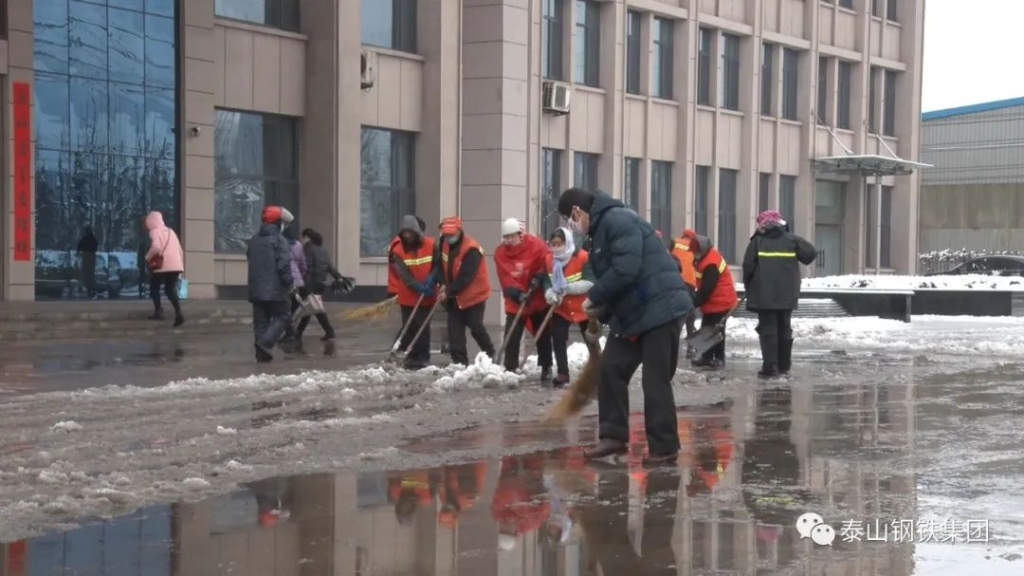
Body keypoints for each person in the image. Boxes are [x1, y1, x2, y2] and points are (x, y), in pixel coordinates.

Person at [557, 188, 693, 464]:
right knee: (610, 369)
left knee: (655, 379)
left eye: (569, 219)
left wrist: (595, 297)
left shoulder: (617, 220)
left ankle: (664, 447)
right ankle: (613, 437)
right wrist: (602, 312)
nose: (572, 226)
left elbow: (625, 269)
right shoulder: (599, 233)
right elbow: (618, 280)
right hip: (635, 312)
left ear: (577, 211)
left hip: (662, 307)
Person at [742, 209, 817, 378]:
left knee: (768, 330)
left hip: (764, 295)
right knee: (784, 328)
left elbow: (748, 268)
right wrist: (791, 237)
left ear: (763, 225)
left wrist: (750, 287)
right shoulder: (792, 240)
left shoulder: (757, 243)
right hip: (787, 295)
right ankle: (784, 366)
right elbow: (810, 254)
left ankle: (770, 367)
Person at [493, 217, 552, 376]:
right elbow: (505, 278)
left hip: (537, 295)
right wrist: (518, 293)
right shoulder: (500, 253)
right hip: (516, 299)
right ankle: (510, 367)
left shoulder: (537, 245)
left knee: (543, 333)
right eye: (506, 237)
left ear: (520, 234)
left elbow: (545, 261)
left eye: (512, 236)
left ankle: (546, 366)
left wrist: (538, 277)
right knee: (512, 334)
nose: (509, 240)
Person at [436, 216, 496, 365]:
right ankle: (459, 363)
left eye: (451, 235)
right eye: (446, 235)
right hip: (454, 297)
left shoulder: (471, 249)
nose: (448, 238)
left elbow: (466, 277)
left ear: (459, 231)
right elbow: (440, 266)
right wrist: (442, 283)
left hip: (473, 296)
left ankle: (490, 354)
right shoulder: (443, 244)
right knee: (454, 333)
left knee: (476, 327)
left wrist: (448, 291)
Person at [544, 227, 593, 388]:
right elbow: (547, 281)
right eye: (553, 244)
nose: (556, 248)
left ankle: (599, 369)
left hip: (583, 306)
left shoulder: (583, 257)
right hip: (561, 307)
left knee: (591, 339)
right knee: (558, 337)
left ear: (567, 242)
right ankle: (563, 372)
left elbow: (590, 282)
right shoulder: (549, 260)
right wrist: (550, 294)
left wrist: (567, 288)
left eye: (559, 244)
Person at [388, 215, 438, 370]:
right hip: (408, 295)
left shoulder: (431, 244)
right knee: (409, 326)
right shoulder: (398, 250)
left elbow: (438, 264)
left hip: (428, 294)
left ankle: (422, 358)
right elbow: (405, 275)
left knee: (422, 326)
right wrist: (418, 287)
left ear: (416, 232)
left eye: (410, 233)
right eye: (405, 234)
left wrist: (433, 277)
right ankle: (408, 356)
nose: (408, 237)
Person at [247, 206, 294, 362]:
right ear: (278, 223)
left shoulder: (254, 240)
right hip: (276, 289)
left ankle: (261, 354)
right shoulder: (280, 241)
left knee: (261, 322)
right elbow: (283, 266)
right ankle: (265, 344)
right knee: (283, 316)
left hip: (256, 289)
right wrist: (290, 283)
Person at [688, 233, 739, 369]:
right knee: (707, 328)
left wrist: (695, 302)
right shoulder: (706, 257)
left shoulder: (711, 263)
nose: (694, 255)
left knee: (716, 330)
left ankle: (718, 358)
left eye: (696, 252)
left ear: (701, 249)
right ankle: (707, 356)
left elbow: (707, 288)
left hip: (721, 300)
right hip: (715, 300)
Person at [298, 228, 353, 341]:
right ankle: (299, 333)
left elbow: (306, 268)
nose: (301, 240)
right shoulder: (322, 249)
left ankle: (328, 331)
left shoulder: (308, 248)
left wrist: (303, 283)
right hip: (320, 283)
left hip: (310, 283)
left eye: (302, 238)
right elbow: (329, 267)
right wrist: (339, 277)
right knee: (312, 307)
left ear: (306, 237)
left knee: (313, 307)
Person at [143, 211, 185, 326]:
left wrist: (147, 257)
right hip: (176, 265)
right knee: (170, 289)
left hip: (162, 265)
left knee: (154, 287)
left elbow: (156, 247)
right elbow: (180, 251)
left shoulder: (154, 231)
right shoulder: (171, 231)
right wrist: (180, 265)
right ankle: (178, 313)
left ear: (150, 221)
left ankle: (159, 311)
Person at [670, 229, 700, 356]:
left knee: (676, 313)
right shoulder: (695, 248)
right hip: (689, 283)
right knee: (689, 314)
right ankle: (691, 347)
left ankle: (671, 344)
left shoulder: (675, 242)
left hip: (674, 281)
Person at [281, 226, 307, 342]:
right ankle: (291, 331)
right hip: (298, 282)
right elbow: (303, 265)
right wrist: (300, 277)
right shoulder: (298, 245)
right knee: (293, 309)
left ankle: (289, 332)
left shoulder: (280, 245)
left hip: (285, 282)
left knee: (284, 309)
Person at [77, 226, 99, 298]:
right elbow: (96, 246)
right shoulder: (93, 239)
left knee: (86, 273)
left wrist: (79, 251)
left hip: (86, 255)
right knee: (91, 273)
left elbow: (79, 246)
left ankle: (89, 287)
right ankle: (92, 288)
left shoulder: (85, 239)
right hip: (92, 256)